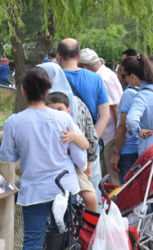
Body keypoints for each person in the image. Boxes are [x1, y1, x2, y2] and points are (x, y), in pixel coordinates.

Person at [0, 67, 86, 249]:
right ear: (48, 91)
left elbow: (7, 157)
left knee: (32, 239)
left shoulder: (13, 122)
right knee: (62, 237)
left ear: (23, 90)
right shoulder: (63, 118)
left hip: (34, 189)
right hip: (65, 186)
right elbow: (80, 158)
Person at [58, 38, 110, 212]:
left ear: (59, 57)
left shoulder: (52, 79)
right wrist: (89, 142)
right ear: (79, 57)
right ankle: (92, 236)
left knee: (61, 201)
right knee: (93, 197)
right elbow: (105, 116)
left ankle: (64, 237)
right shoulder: (95, 79)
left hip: (60, 149)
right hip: (89, 152)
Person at [46, 92, 98, 212]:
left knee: (91, 198)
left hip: (73, 168)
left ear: (68, 111)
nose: (56, 113)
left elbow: (86, 144)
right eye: (51, 109)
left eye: (60, 109)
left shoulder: (70, 126)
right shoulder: (44, 125)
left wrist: (74, 137)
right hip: (52, 168)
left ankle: (90, 225)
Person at [78, 48, 123, 185]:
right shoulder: (106, 72)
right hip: (108, 133)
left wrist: (117, 139)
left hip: (110, 134)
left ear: (85, 67)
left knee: (111, 176)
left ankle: (114, 205)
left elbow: (115, 108)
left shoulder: (101, 78)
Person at [110, 62, 139, 184]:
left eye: (123, 75)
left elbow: (123, 125)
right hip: (141, 148)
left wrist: (116, 153)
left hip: (128, 150)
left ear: (132, 77)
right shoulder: (145, 91)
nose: (119, 77)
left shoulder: (129, 93)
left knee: (129, 190)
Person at [123, 54, 153, 156]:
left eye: (124, 75)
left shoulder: (142, 96)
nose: (124, 79)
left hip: (148, 151)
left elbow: (131, 121)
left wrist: (138, 131)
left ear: (133, 77)